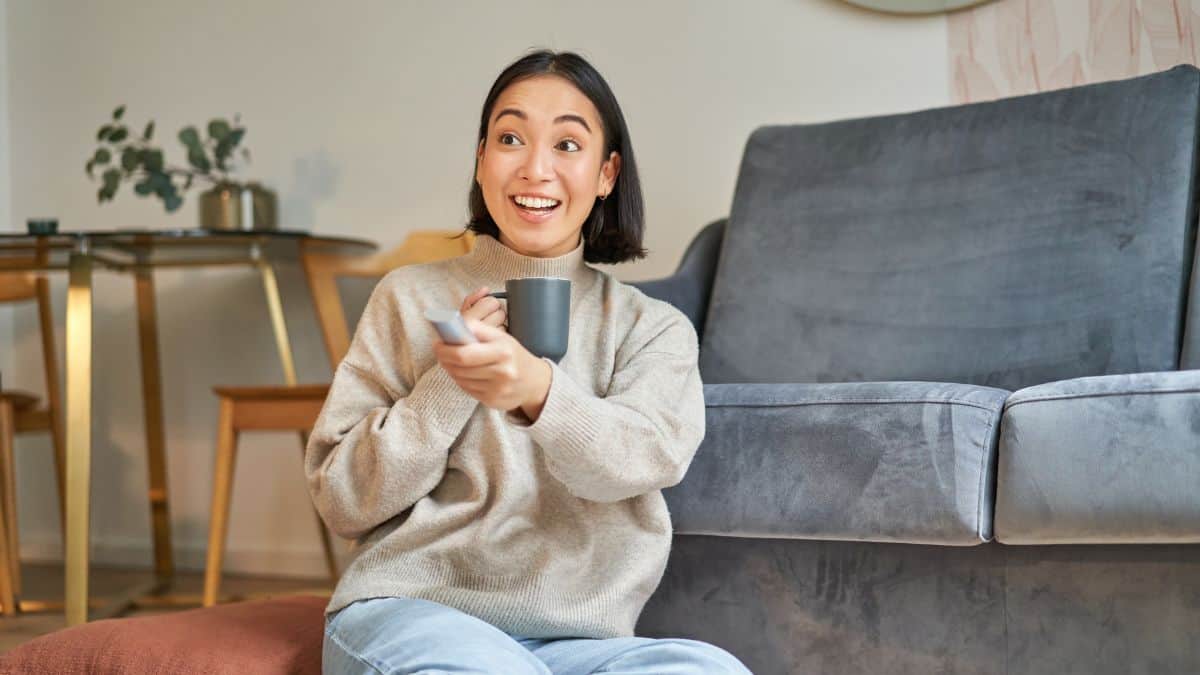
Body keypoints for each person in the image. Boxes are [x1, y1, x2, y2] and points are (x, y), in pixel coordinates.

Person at [306, 49, 752, 675]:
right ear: (482, 160)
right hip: (416, 613)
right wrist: (448, 386)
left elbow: (643, 459)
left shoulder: (652, 329)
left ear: (607, 173)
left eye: (568, 145)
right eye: (510, 138)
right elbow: (341, 500)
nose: (535, 169)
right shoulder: (406, 297)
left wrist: (537, 390)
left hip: (584, 644)